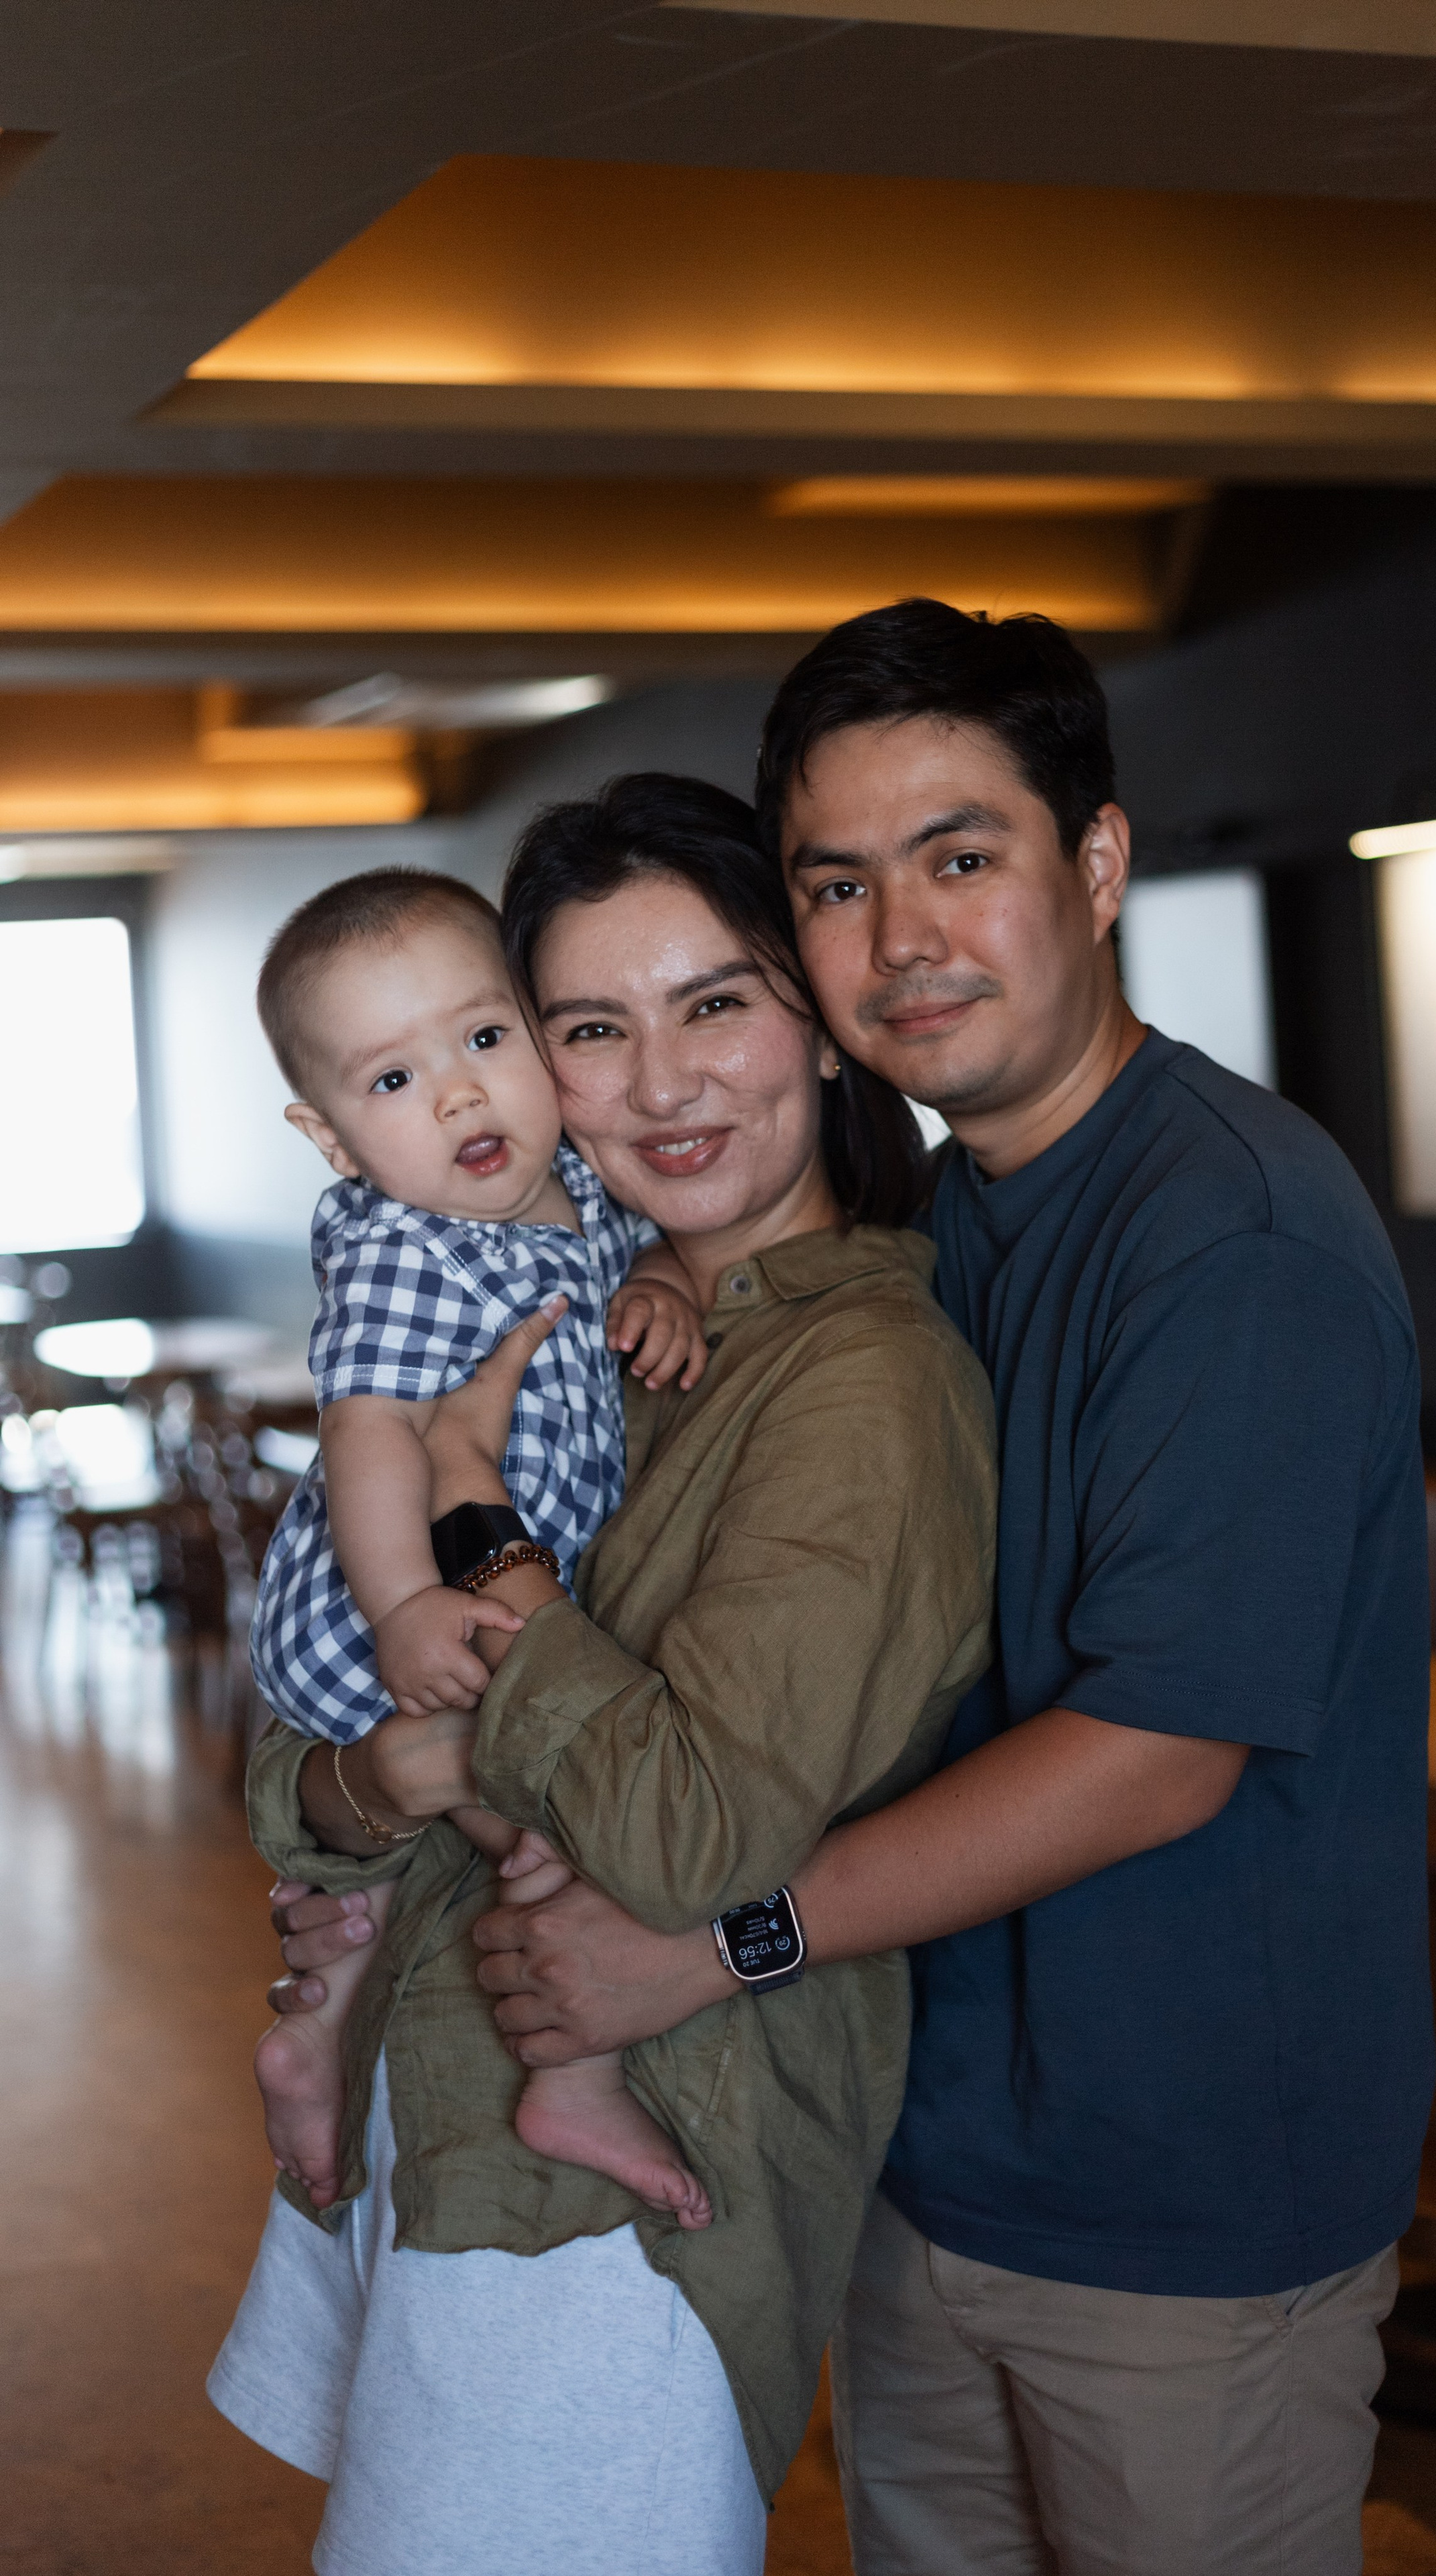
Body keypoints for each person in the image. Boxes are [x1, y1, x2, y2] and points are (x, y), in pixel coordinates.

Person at [392, 606, 1435, 2575]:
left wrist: (717, 1947)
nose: (903, 941)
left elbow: (1158, 1752)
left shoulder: (1235, 1238)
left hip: (1183, 2193)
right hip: (932, 2150)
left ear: (1096, 863)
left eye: (961, 858)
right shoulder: (944, 1221)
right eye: (839, 886)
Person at [211, 774, 997, 2576]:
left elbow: (678, 1833)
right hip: (446, 2126)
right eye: (588, 1028)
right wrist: (376, 1780)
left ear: (819, 1019)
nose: (658, 1083)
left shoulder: (862, 1384)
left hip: (604, 2224)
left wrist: (475, 1515)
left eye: (713, 1002)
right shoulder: (582, 1300)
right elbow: (312, 1770)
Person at [246, 865, 714, 2224]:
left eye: (485, 1038)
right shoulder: (404, 1249)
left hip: (489, 1577)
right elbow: (373, 1434)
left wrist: (662, 1281)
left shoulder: (579, 1184)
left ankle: (314, 2029)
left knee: (395, 1871)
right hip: (393, 1597)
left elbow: (643, 1247)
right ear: (331, 1138)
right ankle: (576, 2074)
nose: (459, 1095)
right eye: (394, 1080)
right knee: (562, 1831)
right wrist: (401, 1605)